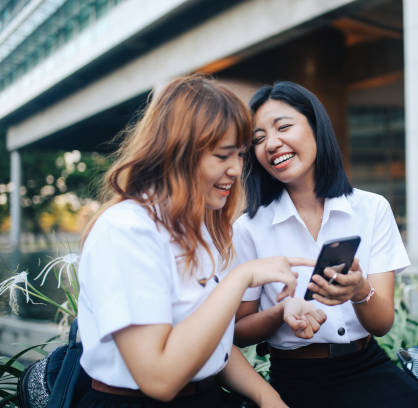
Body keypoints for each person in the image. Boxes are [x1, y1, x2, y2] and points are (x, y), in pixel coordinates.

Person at [76, 75, 313, 407]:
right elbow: (159, 378)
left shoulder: (196, 229)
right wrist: (241, 278)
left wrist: (267, 396)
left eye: (240, 156)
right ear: (178, 153)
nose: (236, 169)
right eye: (222, 156)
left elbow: (208, 343)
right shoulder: (126, 230)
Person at [233, 81, 418, 407]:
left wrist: (360, 292)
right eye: (258, 139)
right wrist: (281, 312)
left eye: (283, 127)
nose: (272, 143)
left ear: (316, 127)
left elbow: (383, 323)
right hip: (296, 379)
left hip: (367, 366)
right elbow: (240, 331)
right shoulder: (248, 228)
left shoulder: (371, 209)